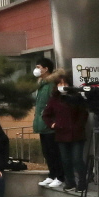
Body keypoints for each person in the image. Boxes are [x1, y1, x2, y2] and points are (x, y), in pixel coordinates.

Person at [42, 72, 90, 193]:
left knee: (77, 159)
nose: (62, 86)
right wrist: (52, 124)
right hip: (61, 134)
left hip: (77, 134)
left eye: (65, 83)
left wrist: (78, 126)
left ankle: (82, 182)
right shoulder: (54, 99)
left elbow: (84, 114)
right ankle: (70, 182)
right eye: (60, 84)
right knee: (65, 160)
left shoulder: (76, 97)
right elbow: (46, 115)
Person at [31, 59, 65, 189]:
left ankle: (59, 176)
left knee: (54, 151)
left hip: (50, 124)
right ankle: (52, 174)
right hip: (42, 123)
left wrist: (53, 122)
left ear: (46, 69)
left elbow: (55, 104)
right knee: (47, 152)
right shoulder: (41, 84)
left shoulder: (51, 84)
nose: (36, 69)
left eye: (38, 67)